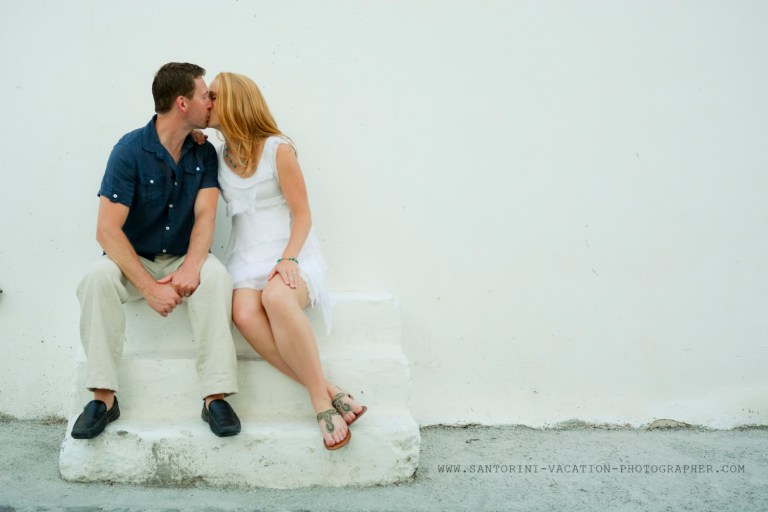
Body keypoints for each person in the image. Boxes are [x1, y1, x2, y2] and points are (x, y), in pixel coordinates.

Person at [71, 63, 241, 440]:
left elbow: (205, 215)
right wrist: (149, 289)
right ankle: (103, 398)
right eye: (204, 96)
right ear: (182, 103)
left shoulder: (204, 152)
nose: (210, 103)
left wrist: (193, 265)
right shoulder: (129, 150)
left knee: (216, 276)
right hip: (135, 260)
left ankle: (215, 397)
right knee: (96, 278)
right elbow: (106, 230)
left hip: (182, 255)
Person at [206, 72, 367, 450]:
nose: (206, 103)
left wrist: (290, 257)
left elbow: (303, 213)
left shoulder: (278, 149)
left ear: (233, 102)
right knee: (243, 313)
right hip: (246, 259)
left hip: (291, 252)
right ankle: (329, 388)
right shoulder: (214, 156)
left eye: (213, 96)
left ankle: (319, 403)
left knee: (276, 298)